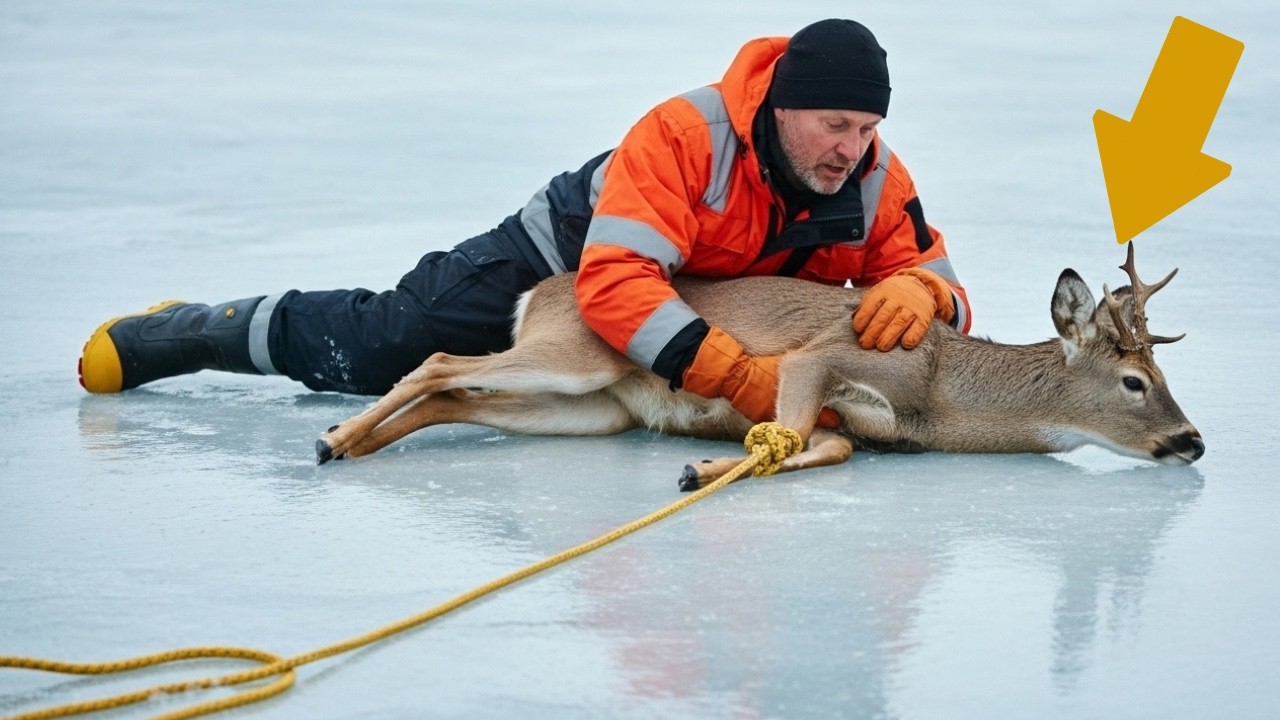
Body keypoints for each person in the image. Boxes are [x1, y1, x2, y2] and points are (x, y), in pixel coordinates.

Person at [79, 18, 972, 424]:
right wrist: (731, 373)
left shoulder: (873, 178)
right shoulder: (685, 137)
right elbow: (619, 285)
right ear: (784, 107)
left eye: (867, 127)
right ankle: (198, 331)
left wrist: (923, 288)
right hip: (562, 257)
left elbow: (943, 281)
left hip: (704, 300)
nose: (852, 147)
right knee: (392, 339)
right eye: (835, 124)